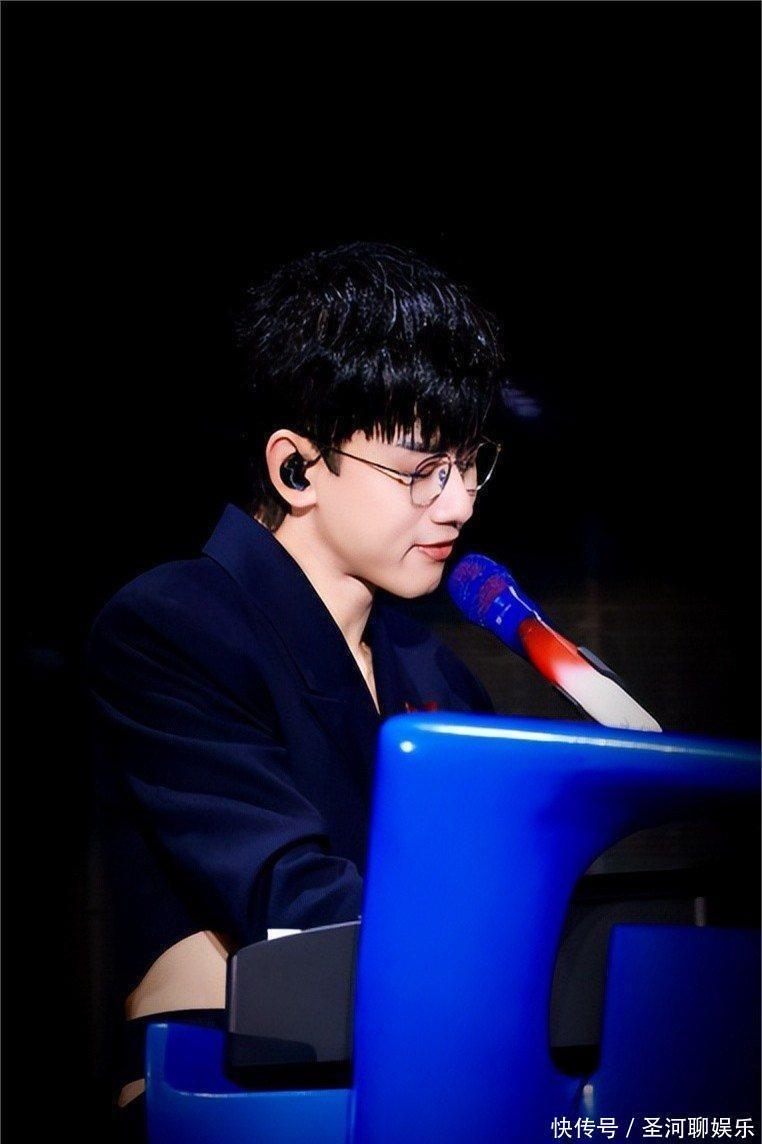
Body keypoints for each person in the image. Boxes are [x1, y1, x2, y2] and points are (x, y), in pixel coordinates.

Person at [88, 240, 506, 1137]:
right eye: (422, 469)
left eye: (472, 463)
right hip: (231, 1091)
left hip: (425, 1073)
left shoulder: (439, 674)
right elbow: (288, 893)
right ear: (297, 468)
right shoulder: (172, 625)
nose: (460, 502)